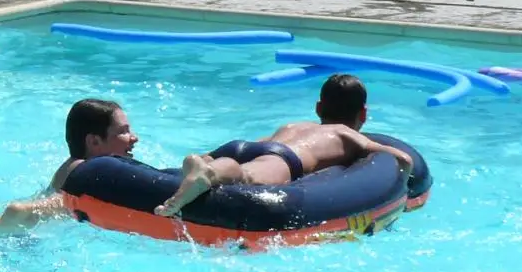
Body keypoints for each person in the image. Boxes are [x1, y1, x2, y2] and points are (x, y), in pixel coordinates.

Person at [154, 73, 414, 217]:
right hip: (284, 159)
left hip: (248, 147)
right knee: (246, 176)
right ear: (364, 114)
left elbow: (259, 145)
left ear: (318, 108)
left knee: (242, 162)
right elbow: (403, 159)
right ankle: (209, 173)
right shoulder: (345, 133)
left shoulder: (295, 126)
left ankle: (204, 161)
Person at [0, 98, 139, 232]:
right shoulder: (85, 170)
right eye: (123, 132)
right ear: (94, 141)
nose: (134, 138)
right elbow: (16, 212)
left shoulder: (72, 166)